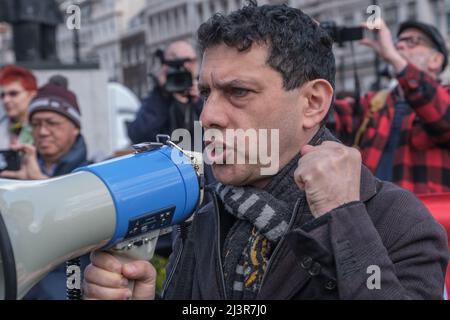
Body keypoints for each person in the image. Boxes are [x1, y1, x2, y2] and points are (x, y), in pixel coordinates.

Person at [83, 3, 448, 300]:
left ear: (312, 102)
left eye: (239, 92)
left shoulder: (397, 221)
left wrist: (343, 219)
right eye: (207, 94)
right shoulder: (204, 214)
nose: (208, 116)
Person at [331, 19, 450, 194]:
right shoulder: (375, 103)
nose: (400, 46)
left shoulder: (444, 98)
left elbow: (443, 117)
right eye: (398, 41)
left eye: (412, 42)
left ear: (436, 60)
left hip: (428, 218)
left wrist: (394, 59)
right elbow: (323, 115)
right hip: (372, 217)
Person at [0, 81, 90, 299]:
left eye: (52, 123)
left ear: (75, 127)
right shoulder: (22, 168)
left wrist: (39, 184)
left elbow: (87, 216)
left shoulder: (94, 169)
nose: (42, 132)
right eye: (36, 124)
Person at [127, 40, 202, 144]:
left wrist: (200, 102)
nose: (185, 67)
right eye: (176, 63)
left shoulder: (207, 92)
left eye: (190, 61)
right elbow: (138, 135)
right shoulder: (159, 96)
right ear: (166, 65)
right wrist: (161, 94)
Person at [0, 65, 37, 149]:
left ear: (32, 95)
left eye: (13, 93)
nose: (6, 100)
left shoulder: (45, 130)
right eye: (2, 95)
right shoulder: (3, 127)